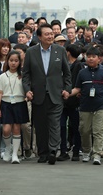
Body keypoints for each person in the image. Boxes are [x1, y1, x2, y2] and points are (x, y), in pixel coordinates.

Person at [22, 23, 72, 165]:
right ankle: (42, 153)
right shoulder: (31, 52)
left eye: (52, 34)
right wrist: (27, 90)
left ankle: (52, 151)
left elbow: (67, 73)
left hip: (56, 94)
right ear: (39, 37)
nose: (50, 36)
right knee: (40, 125)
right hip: (38, 95)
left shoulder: (60, 51)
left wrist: (67, 89)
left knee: (55, 124)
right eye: (47, 34)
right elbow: (26, 75)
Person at [69, 46, 103, 165]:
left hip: (100, 106)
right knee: (84, 130)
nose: (91, 59)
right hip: (85, 106)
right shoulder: (82, 73)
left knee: (99, 130)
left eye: (94, 57)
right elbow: (77, 88)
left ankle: (97, 154)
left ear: (99, 59)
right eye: (89, 57)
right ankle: (87, 151)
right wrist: (68, 94)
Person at [0, 51, 29, 164]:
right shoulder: (3, 76)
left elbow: (27, 89)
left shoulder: (22, 75)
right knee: (6, 129)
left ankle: (15, 154)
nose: (13, 63)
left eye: (16, 61)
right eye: (11, 61)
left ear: (20, 62)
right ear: (7, 61)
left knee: (16, 128)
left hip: (19, 102)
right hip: (6, 103)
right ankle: (8, 147)